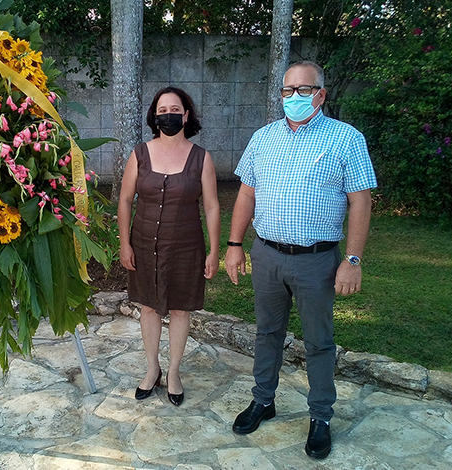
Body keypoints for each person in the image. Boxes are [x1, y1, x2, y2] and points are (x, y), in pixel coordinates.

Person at [225, 61, 377, 459]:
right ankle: (263, 400)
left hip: (316, 260)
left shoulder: (346, 139)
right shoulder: (263, 138)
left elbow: (360, 200)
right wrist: (234, 243)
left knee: (319, 343)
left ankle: (321, 416)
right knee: (266, 333)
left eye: (303, 89)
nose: (294, 97)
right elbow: (246, 194)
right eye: (287, 90)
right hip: (267, 254)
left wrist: (353, 259)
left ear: (321, 94)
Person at [118, 86, 220, 406]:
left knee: (179, 308)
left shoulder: (202, 158)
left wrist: (214, 250)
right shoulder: (140, 154)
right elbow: (124, 200)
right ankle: (152, 369)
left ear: (186, 115)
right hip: (144, 244)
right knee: (148, 306)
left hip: (186, 246)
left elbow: (213, 206)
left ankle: (174, 372)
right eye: (162, 111)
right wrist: (125, 243)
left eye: (174, 110)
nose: (168, 116)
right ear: (154, 116)